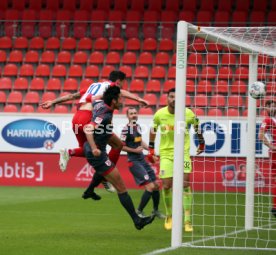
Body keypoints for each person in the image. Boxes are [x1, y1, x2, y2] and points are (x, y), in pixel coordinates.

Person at [40, 71, 148, 196]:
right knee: (118, 145)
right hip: (89, 119)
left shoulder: (92, 86)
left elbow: (71, 96)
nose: (122, 87)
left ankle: (69, 152)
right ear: (118, 81)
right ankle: (106, 177)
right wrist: (139, 99)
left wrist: (52, 102)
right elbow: (120, 92)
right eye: (123, 83)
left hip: (76, 119)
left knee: (87, 150)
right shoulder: (112, 87)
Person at [83, 86, 155, 230]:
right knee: (121, 187)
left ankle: (90, 190)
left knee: (118, 145)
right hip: (96, 151)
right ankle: (137, 221)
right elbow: (88, 129)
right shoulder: (105, 113)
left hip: (103, 140)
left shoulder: (100, 103)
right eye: (120, 98)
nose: (122, 100)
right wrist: (94, 148)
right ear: (114, 100)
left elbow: (91, 99)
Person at [148, 88, 205, 231]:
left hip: (183, 153)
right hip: (166, 154)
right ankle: (169, 215)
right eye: (171, 97)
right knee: (166, 185)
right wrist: (150, 149)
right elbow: (153, 130)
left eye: (176, 97)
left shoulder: (188, 113)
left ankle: (187, 220)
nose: (174, 99)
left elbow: (197, 127)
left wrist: (201, 142)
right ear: (167, 99)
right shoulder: (160, 114)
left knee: (185, 184)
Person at [120, 107, 165, 219]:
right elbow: (121, 146)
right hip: (134, 162)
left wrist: (150, 151)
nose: (134, 115)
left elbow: (140, 141)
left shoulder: (138, 127)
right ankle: (138, 211)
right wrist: (134, 150)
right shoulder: (126, 130)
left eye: (135, 113)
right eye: (131, 114)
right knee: (150, 186)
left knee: (156, 185)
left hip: (142, 160)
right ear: (127, 116)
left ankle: (155, 211)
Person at [258, 99, 276, 217]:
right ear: (266, 109)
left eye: (274, 106)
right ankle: (275, 207)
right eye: (270, 107)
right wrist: (271, 146)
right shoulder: (267, 120)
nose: (273, 108)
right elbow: (260, 135)